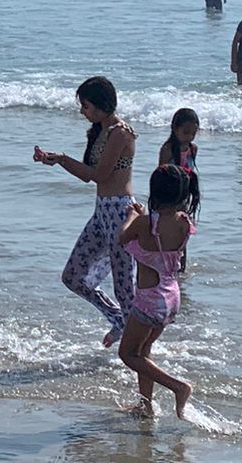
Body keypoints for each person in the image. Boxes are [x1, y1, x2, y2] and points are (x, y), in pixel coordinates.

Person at [34, 76, 137, 346]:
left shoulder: (120, 133)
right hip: (101, 212)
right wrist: (56, 160)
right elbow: (86, 174)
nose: (83, 111)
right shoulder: (99, 130)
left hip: (120, 213)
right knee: (73, 277)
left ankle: (137, 346)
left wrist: (63, 160)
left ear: (103, 104)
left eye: (86, 106)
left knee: (125, 287)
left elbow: (99, 175)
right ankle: (119, 320)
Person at [116, 165, 195, 417]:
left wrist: (132, 214)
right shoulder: (184, 222)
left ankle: (178, 387)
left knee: (127, 354)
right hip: (171, 296)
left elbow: (123, 237)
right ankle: (145, 405)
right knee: (144, 351)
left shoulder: (144, 223)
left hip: (150, 299)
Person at [157, 109, 200, 270]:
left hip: (184, 198)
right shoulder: (167, 149)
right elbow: (160, 175)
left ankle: (181, 267)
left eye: (193, 133)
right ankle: (165, 264)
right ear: (175, 129)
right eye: (186, 132)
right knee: (167, 233)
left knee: (184, 233)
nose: (189, 137)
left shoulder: (193, 148)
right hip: (169, 199)